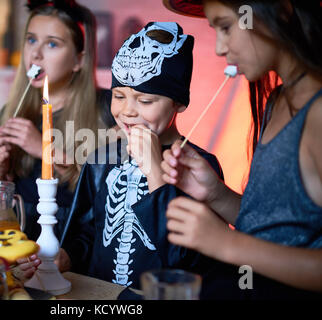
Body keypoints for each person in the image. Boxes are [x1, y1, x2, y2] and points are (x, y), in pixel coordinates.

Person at [20, 22, 224, 289]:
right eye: (119, 96)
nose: (127, 111)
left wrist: (153, 171)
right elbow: (87, 232)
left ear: (178, 103)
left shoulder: (199, 169)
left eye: (145, 101)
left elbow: (186, 261)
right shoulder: (101, 160)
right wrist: (66, 257)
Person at [161, 0, 322, 299]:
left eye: (226, 27)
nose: (220, 48)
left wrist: (227, 244)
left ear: (282, 8)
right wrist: (214, 193)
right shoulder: (277, 101)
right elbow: (276, 226)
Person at [0, 0, 116, 242]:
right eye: (31, 39)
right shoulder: (11, 112)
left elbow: (107, 202)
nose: (35, 54)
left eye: (52, 44)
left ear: (79, 60)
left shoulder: (109, 108)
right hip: (19, 246)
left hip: (75, 250)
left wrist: (44, 148)